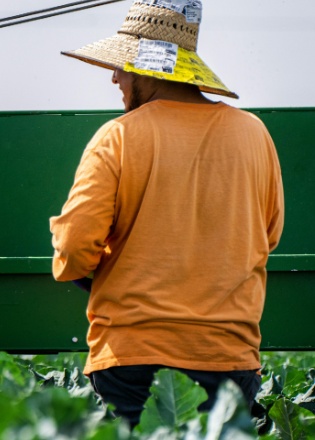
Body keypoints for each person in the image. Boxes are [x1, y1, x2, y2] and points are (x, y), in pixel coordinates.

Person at [51, 0, 284, 427]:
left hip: (132, 361)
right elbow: (267, 237)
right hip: (229, 359)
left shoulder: (117, 138)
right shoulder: (255, 134)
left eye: (122, 65)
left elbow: (74, 247)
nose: (114, 76)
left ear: (147, 69)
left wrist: (94, 270)